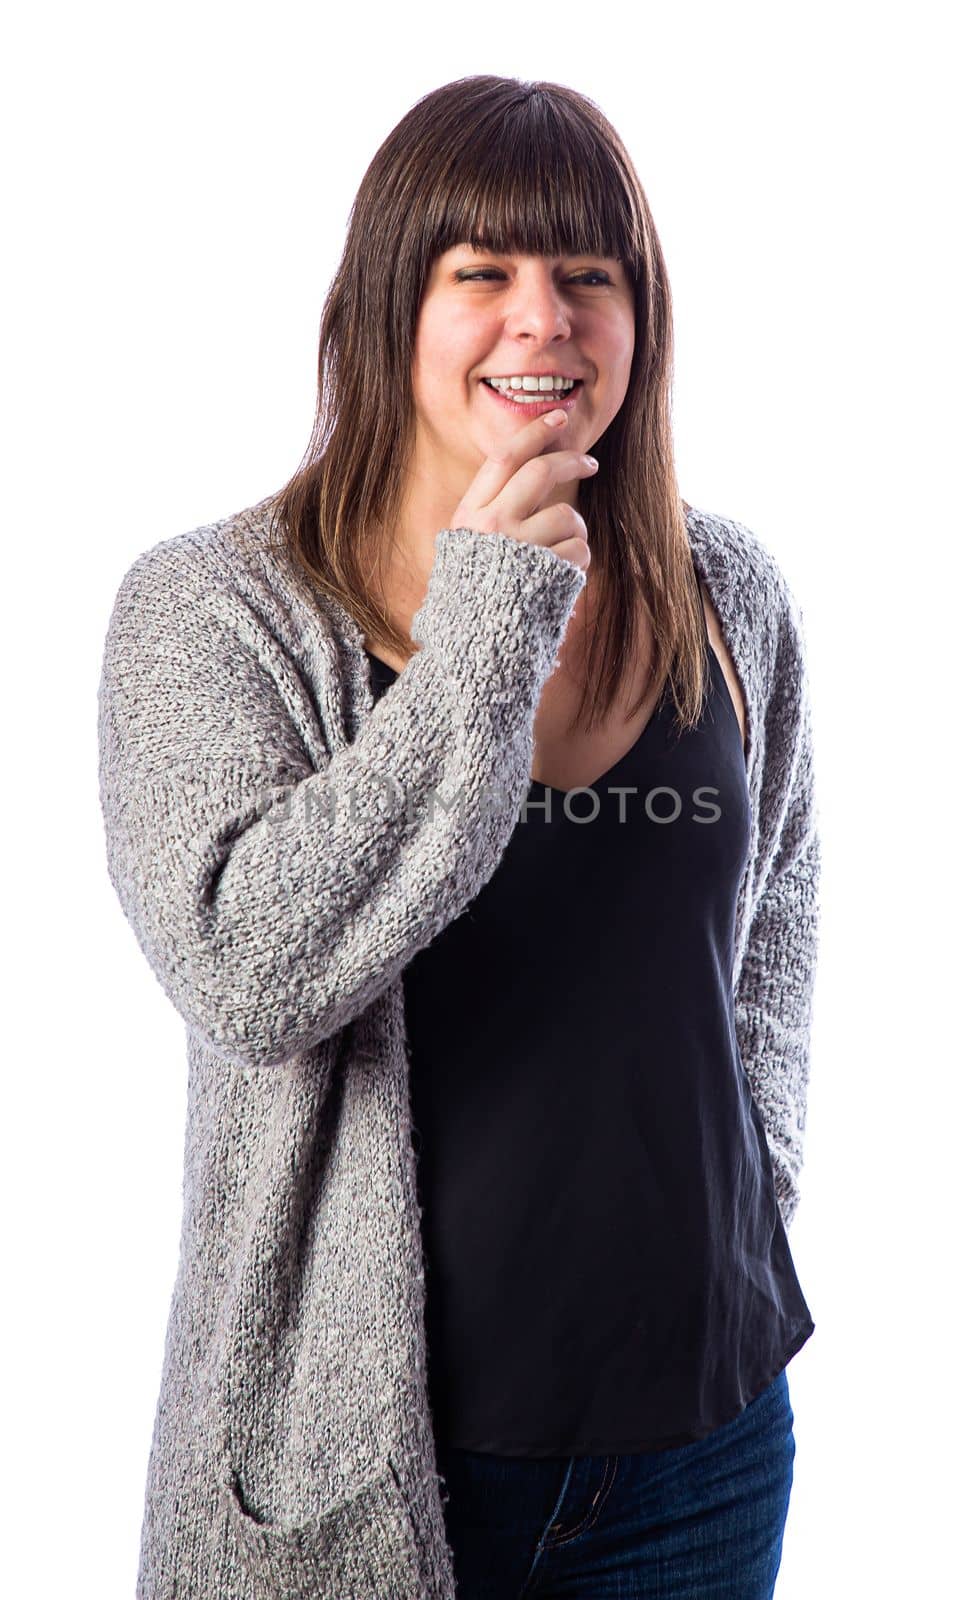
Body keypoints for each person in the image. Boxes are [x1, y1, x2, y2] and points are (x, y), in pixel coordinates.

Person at [97, 74, 821, 1600]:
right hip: (383, 1471)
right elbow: (248, 971)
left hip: (706, 1440)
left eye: (587, 278)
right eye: (479, 274)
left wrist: (752, 1205)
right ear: (387, 310)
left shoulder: (728, 588)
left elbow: (769, 938)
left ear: (641, 318)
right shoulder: (214, 611)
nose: (541, 320)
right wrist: (486, 626)